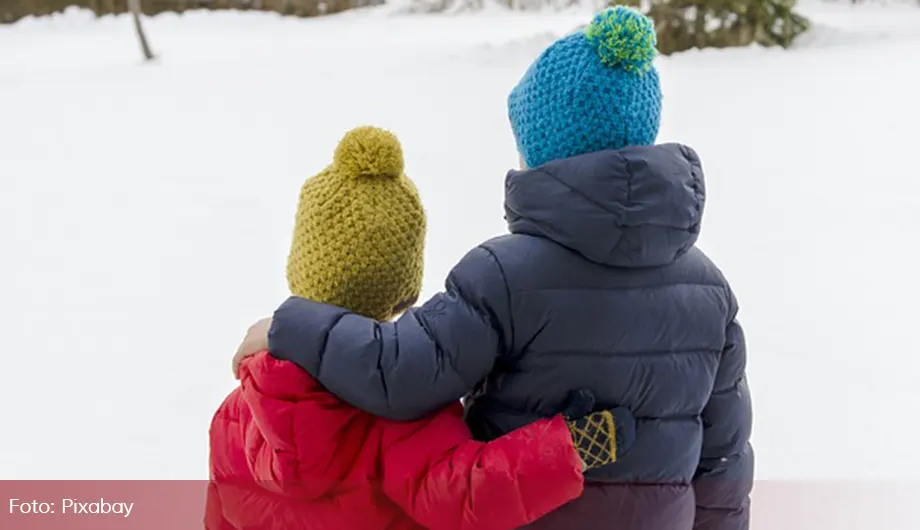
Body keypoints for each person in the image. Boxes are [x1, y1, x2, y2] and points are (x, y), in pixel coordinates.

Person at [234, 7, 753, 530]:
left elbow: (402, 371)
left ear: (545, 149)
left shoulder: (504, 276)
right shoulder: (710, 290)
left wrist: (291, 324)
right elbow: (725, 460)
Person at [206, 126, 636, 530]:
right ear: (404, 293)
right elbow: (466, 493)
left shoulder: (237, 412)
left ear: (300, 269)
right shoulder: (400, 403)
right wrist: (570, 448)